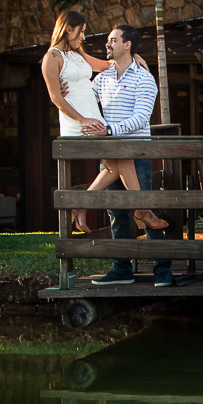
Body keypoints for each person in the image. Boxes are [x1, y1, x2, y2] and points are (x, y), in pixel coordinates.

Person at [40, 11, 167, 232]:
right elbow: (54, 96)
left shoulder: (78, 55)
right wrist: (83, 119)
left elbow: (107, 65)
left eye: (83, 32)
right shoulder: (51, 57)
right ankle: (144, 211)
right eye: (81, 31)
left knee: (116, 166)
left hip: (96, 121)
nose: (83, 37)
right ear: (68, 28)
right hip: (81, 121)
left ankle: (82, 206)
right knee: (121, 163)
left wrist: (134, 56)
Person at [87, 23, 174, 288]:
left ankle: (163, 270)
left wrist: (109, 130)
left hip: (136, 153)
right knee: (116, 213)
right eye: (108, 40)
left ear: (127, 45)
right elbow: (86, 102)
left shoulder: (144, 78)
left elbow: (141, 118)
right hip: (110, 155)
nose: (107, 44)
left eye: (113, 40)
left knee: (144, 208)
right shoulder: (101, 78)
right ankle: (121, 269)